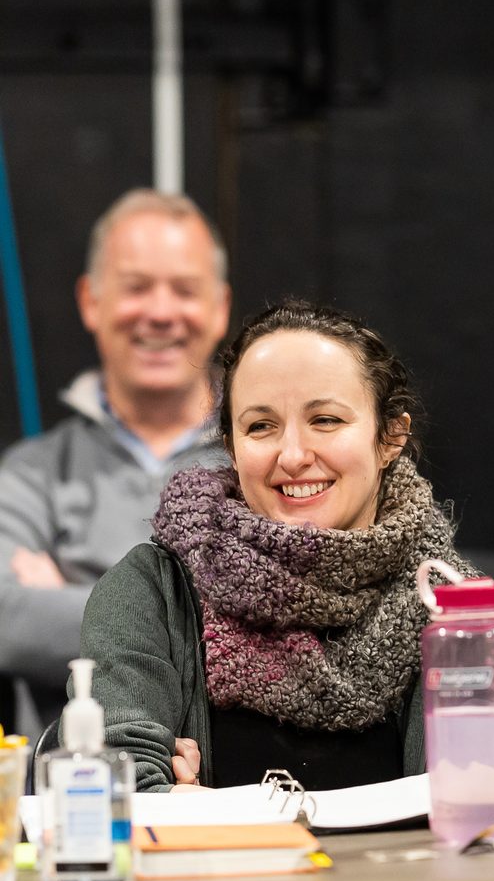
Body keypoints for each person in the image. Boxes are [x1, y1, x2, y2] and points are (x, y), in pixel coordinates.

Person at [55, 300, 470, 793]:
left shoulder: (452, 604)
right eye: (260, 426)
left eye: (327, 420)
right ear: (232, 446)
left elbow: (478, 797)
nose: (293, 455)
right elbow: (114, 786)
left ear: (391, 437)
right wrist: (171, 804)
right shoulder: (149, 591)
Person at [0, 189, 231, 737]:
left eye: (184, 289)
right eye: (135, 287)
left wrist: (71, 599)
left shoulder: (268, 461)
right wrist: (217, 615)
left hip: (246, 802)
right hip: (75, 802)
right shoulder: (31, 474)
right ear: (90, 301)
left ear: (220, 307)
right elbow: (6, 620)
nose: (160, 311)